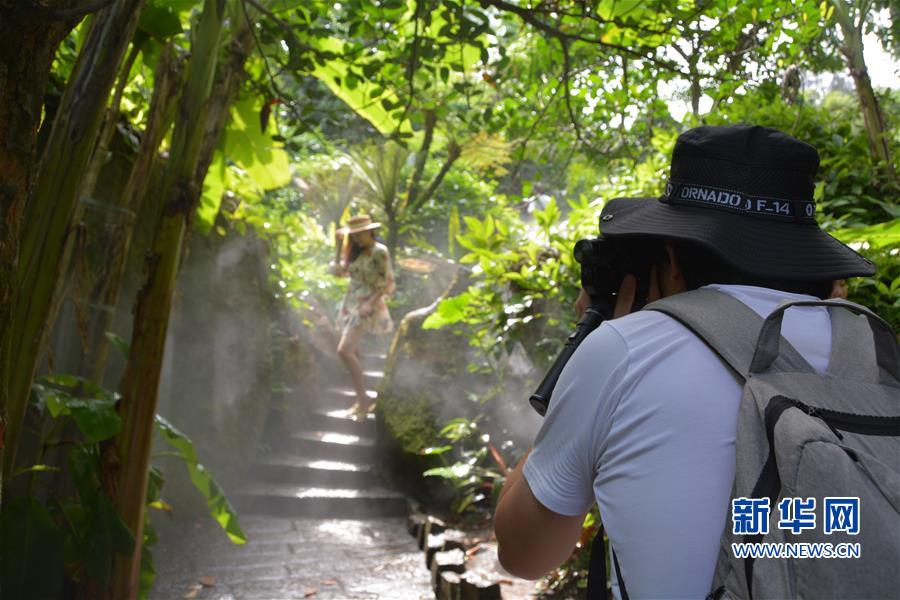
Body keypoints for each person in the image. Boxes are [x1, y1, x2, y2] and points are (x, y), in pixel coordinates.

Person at [493, 125, 877, 598]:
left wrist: (593, 342)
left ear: (672, 257)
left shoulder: (624, 351)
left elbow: (524, 554)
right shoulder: (874, 350)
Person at [331, 214, 395, 419]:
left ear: (370, 231)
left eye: (360, 234)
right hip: (351, 303)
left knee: (344, 350)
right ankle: (361, 400)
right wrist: (338, 246)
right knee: (352, 352)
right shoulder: (356, 252)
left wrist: (370, 303)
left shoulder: (380, 252)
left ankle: (364, 397)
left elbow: (386, 283)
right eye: (354, 235)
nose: (357, 238)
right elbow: (339, 273)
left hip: (367, 305)